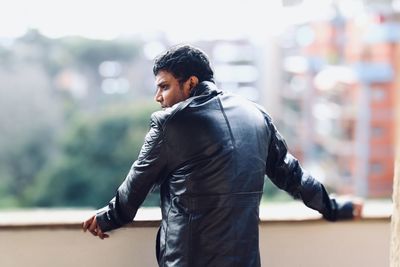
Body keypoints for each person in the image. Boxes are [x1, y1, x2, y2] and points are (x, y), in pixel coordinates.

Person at [83, 44, 363, 266]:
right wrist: (336, 208)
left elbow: (136, 187)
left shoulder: (171, 123)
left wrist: (107, 219)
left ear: (191, 83)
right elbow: (293, 176)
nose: (158, 97)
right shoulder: (256, 115)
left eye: (165, 86)